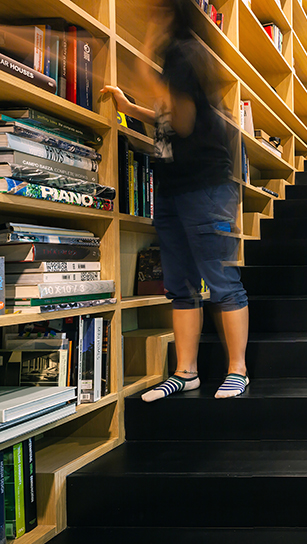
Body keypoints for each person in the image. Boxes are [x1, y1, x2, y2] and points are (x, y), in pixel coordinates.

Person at [101, 0, 249, 401]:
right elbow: (169, 111)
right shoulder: (174, 58)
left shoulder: (185, 54)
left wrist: (145, 63)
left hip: (204, 186)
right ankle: (187, 372)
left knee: (220, 281)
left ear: (170, 12)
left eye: (155, 10)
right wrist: (131, 108)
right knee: (180, 287)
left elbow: (183, 122)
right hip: (172, 189)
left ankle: (238, 370)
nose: (148, 14)